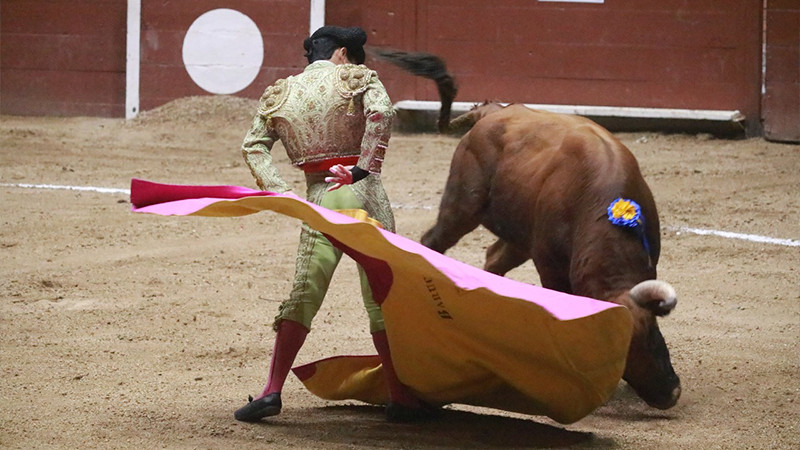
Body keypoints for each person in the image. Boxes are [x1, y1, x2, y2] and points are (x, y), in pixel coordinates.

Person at [234, 26, 434, 423]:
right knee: (381, 295)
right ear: (342, 53)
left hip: (319, 200)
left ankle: (272, 390)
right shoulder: (357, 78)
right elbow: (382, 113)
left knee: (304, 293)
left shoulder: (281, 93)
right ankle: (399, 395)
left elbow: (252, 146)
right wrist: (361, 169)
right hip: (362, 195)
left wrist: (281, 193)